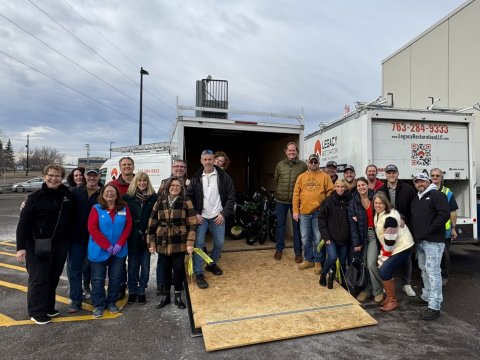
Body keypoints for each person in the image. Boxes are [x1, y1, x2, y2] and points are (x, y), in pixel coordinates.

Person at [16, 164, 73, 324]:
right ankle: (36, 311)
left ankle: (48, 306)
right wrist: (20, 248)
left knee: (53, 276)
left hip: (60, 244)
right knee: (38, 278)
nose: (54, 178)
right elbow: (23, 224)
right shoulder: (34, 198)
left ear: (62, 178)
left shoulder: (66, 195)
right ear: (44, 176)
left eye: (58, 176)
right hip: (37, 244)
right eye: (51, 175)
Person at [186, 150, 235, 289]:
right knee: (199, 244)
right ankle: (199, 273)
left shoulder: (224, 177)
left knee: (219, 243)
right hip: (201, 217)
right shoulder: (196, 178)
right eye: (205, 159)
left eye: (210, 159)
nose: (207, 162)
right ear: (201, 161)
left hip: (217, 216)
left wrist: (224, 213)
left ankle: (211, 263)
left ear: (214, 160)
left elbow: (231, 197)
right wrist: (195, 213)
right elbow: (188, 197)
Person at [147, 176, 197, 309]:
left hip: (179, 239)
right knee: (164, 269)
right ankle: (166, 296)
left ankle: (178, 296)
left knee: (179, 269)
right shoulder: (160, 201)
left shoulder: (186, 201)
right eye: (172, 185)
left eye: (178, 186)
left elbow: (192, 223)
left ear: (181, 188)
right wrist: (151, 243)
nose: (175, 188)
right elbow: (152, 223)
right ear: (168, 187)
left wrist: (190, 243)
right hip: (162, 240)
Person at [87, 184, 132, 318]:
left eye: (113, 192)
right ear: (102, 194)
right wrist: (106, 245)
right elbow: (92, 228)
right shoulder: (96, 208)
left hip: (119, 250)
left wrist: (119, 243)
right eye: (107, 192)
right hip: (99, 250)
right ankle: (99, 305)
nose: (110, 194)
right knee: (97, 279)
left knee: (116, 278)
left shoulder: (124, 208)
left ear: (117, 194)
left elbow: (128, 226)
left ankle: (111, 302)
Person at [410, 173, 450, 320]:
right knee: (424, 270)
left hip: (433, 241)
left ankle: (435, 306)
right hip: (420, 242)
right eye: (417, 181)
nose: (419, 183)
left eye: (422, 181)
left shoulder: (436, 195)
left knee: (433, 272)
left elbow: (444, 214)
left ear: (428, 181)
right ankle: (426, 297)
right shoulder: (417, 198)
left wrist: (429, 229)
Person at [377, 164, 416, 297]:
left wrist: (405, 219)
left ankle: (407, 284)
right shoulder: (382, 189)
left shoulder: (408, 189)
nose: (391, 175)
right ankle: (389, 281)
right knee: (390, 255)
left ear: (398, 174)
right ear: (385, 175)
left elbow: (413, 208)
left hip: (404, 228)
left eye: (393, 173)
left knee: (406, 257)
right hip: (389, 228)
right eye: (389, 173)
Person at [67, 168, 102, 313]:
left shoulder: (104, 193)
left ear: (99, 176)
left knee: (95, 271)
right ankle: (76, 300)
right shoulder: (74, 192)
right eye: (89, 175)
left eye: (95, 175)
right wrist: (27, 201)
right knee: (74, 269)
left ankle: (97, 298)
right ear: (85, 177)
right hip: (76, 238)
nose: (92, 178)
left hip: (96, 240)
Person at [373, 192, 414, 311]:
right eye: (376, 203)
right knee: (385, 270)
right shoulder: (379, 213)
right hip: (394, 246)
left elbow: (390, 243)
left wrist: (383, 257)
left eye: (381, 203)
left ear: (386, 203)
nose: (378, 205)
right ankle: (389, 297)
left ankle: (392, 301)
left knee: (385, 271)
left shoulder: (389, 218)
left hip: (402, 247)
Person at [292, 154, 333, 273]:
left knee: (318, 238)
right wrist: (295, 210)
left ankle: (318, 261)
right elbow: (295, 194)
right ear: (308, 163)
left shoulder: (325, 177)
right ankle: (308, 259)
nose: (313, 164)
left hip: (318, 213)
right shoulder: (301, 177)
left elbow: (330, 192)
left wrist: (326, 208)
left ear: (318, 163)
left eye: (315, 162)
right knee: (305, 238)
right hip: (304, 213)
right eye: (311, 162)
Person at [156, 159, 190, 296]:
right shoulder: (164, 182)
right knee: (163, 261)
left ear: (185, 169)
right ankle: (161, 284)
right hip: (166, 229)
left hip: (182, 224)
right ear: (172, 168)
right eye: (177, 166)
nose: (179, 168)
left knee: (178, 262)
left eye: (182, 167)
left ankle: (178, 285)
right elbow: (159, 201)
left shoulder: (190, 183)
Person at [348, 177, 383, 303]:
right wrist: (356, 243)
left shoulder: (376, 198)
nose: (361, 187)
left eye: (363, 185)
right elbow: (352, 225)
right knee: (364, 264)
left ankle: (378, 290)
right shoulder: (353, 202)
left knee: (371, 264)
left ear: (368, 185)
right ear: (356, 188)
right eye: (358, 186)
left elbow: (389, 209)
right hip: (361, 237)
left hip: (374, 235)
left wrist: (401, 218)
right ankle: (367, 289)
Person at [124, 172, 158, 305]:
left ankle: (141, 290)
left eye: (144, 181)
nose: (142, 183)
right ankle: (132, 290)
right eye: (139, 181)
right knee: (132, 266)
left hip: (147, 236)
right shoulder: (128, 198)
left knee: (145, 266)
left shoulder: (153, 198)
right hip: (132, 237)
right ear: (135, 182)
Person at [273, 142, 307, 262]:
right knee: (280, 226)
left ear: (297, 152)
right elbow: (276, 179)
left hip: (296, 201)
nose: (292, 152)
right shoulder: (280, 165)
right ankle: (279, 249)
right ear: (286, 151)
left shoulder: (303, 166)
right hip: (281, 200)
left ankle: (298, 253)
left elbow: (305, 182)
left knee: (296, 227)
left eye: (294, 150)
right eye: (290, 150)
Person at [108, 156, 135, 299]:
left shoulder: (140, 182)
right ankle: (121, 286)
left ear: (133, 166)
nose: (126, 167)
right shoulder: (113, 184)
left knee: (134, 260)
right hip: (119, 229)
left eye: (129, 164)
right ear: (120, 167)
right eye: (124, 165)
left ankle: (133, 286)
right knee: (119, 261)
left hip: (136, 228)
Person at [318, 179, 351, 289]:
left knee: (342, 262)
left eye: (342, 187)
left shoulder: (350, 200)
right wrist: (326, 237)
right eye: (338, 186)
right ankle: (323, 274)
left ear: (345, 188)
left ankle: (342, 282)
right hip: (331, 238)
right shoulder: (327, 201)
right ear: (334, 187)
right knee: (332, 257)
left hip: (344, 238)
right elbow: (322, 220)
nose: (340, 189)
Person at [430, 168, 458, 286]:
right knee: (431, 254)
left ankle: (444, 276)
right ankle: (432, 276)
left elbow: (453, 212)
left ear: (441, 178)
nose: (435, 178)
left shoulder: (448, 192)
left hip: (445, 230)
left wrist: (453, 228)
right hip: (431, 229)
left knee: (444, 255)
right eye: (433, 176)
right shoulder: (426, 191)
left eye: (437, 176)